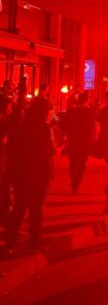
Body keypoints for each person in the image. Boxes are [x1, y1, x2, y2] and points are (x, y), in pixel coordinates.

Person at [3, 99, 56, 255]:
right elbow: (49, 151)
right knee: (36, 209)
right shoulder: (44, 129)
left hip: (20, 173)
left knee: (19, 207)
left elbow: (12, 150)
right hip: (39, 173)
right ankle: (33, 243)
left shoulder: (19, 128)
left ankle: (11, 241)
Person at [63, 92, 95, 194]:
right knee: (82, 164)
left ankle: (73, 183)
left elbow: (66, 124)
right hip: (84, 141)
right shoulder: (89, 112)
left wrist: (67, 137)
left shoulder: (72, 111)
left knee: (72, 162)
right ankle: (75, 185)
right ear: (86, 100)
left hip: (73, 140)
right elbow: (91, 128)